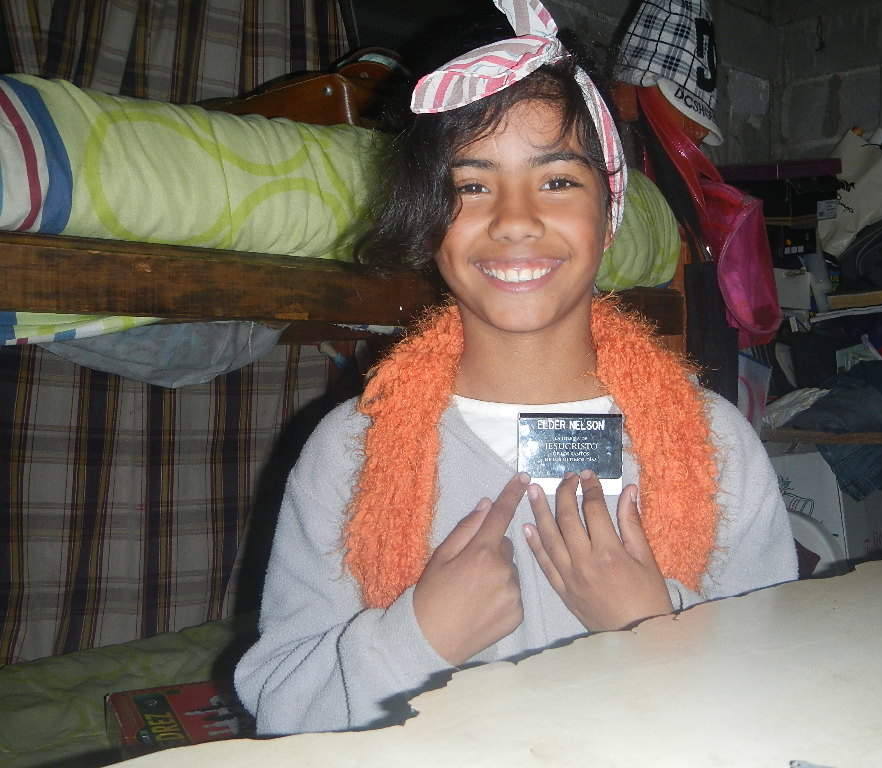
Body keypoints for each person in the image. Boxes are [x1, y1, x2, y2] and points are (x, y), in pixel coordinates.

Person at [234, 0, 796, 736]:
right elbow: (283, 709)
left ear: (609, 212)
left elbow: (780, 689)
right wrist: (414, 639)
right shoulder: (350, 453)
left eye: (557, 180)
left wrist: (655, 629)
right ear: (429, 224)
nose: (515, 220)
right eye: (471, 185)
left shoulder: (717, 445)